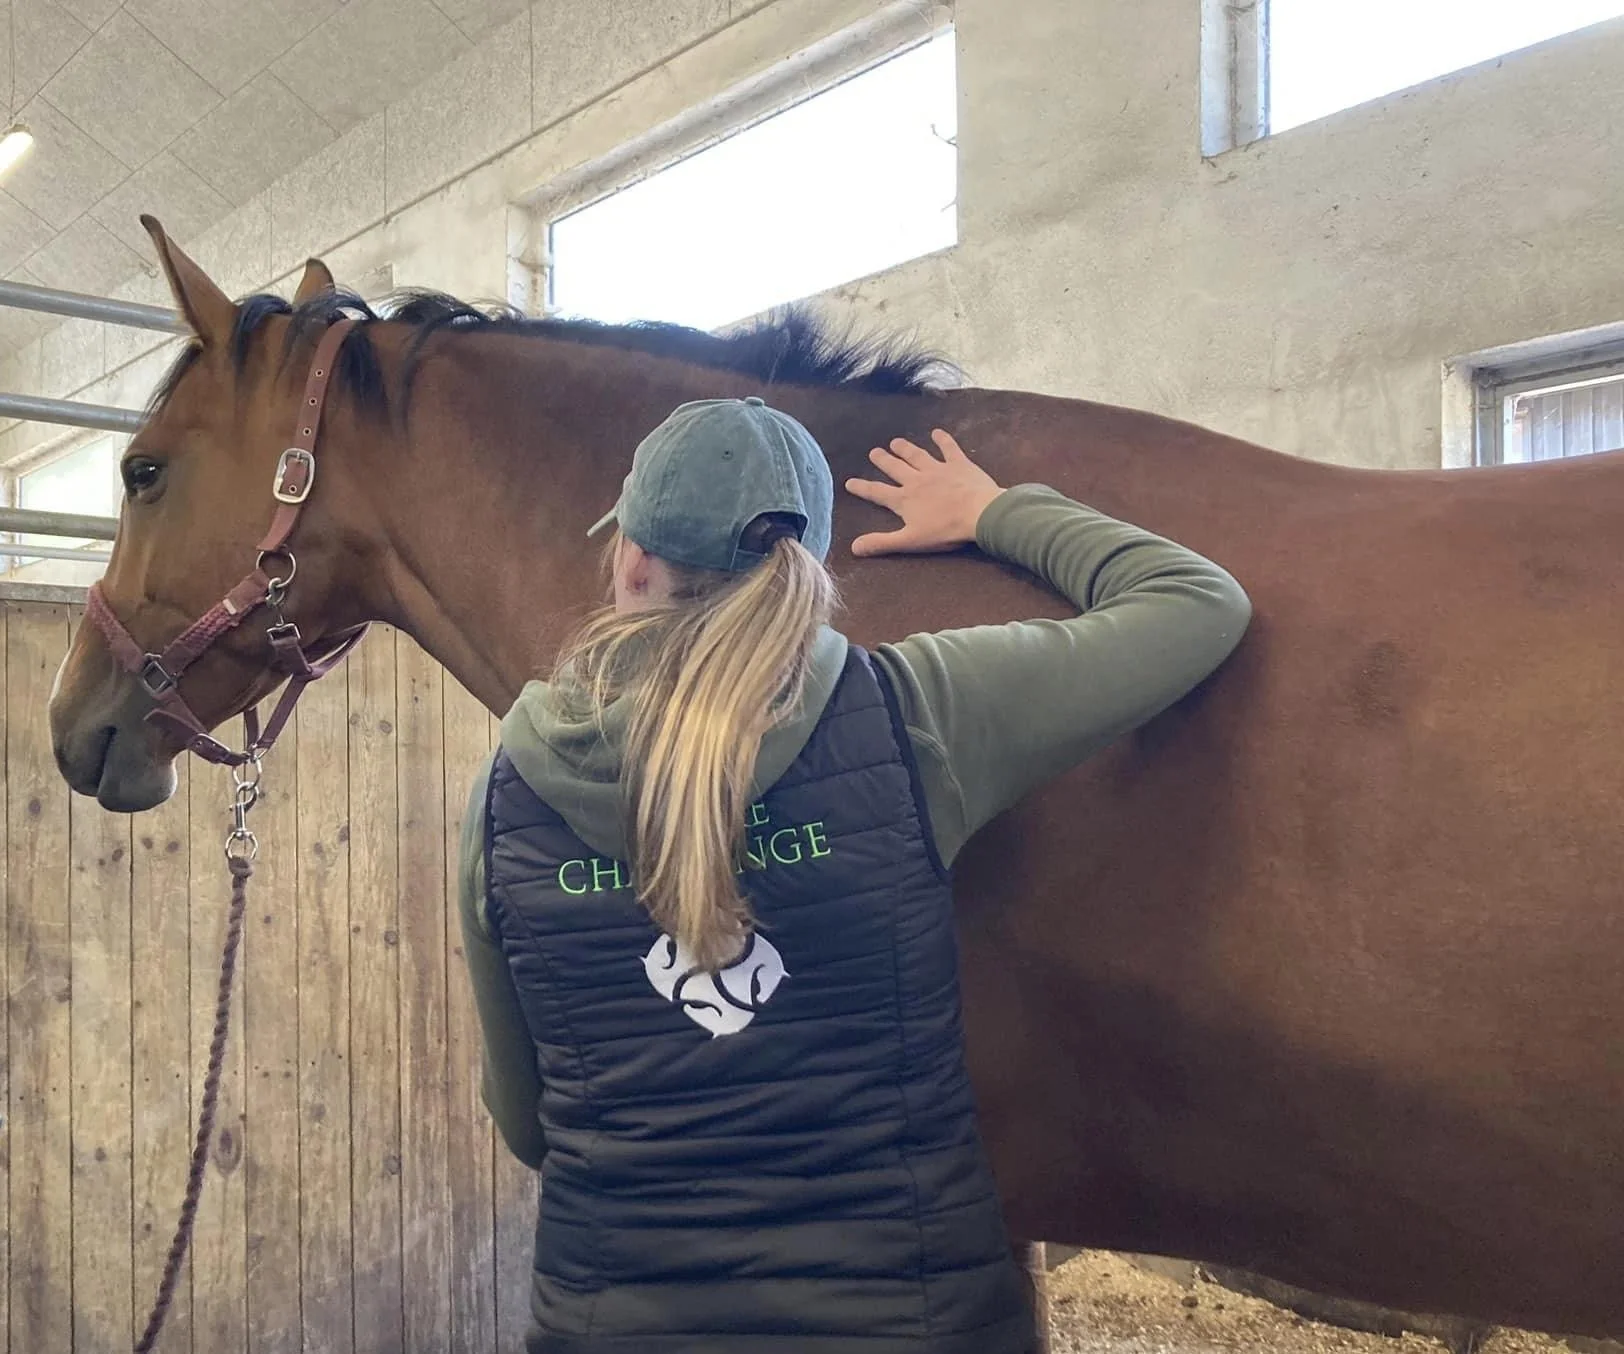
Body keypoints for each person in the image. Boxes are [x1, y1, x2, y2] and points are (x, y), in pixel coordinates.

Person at [458, 396, 1252, 1354]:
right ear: (805, 573)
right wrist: (992, 510)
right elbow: (1198, 602)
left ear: (631, 560)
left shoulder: (507, 798)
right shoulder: (914, 714)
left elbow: (529, 1127)